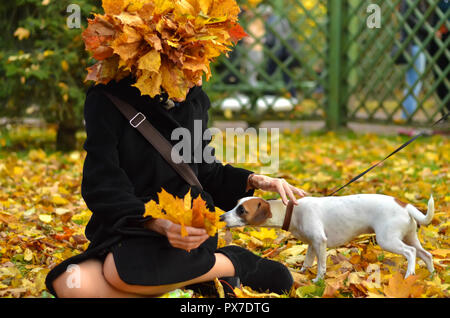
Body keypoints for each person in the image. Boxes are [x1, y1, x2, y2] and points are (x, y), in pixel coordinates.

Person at [44, 21, 308, 299]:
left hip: (188, 227)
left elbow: (205, 172)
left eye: (200, 63)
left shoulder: (194, 100)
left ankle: (234, 262)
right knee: (71, 285)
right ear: (151, 61)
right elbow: (102, 185)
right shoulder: (106, 99)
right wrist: (155, 223)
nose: (196, 78)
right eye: (185, 66)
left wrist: (252, 179)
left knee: (116, 273)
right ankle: (216, 270)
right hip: (129, 222)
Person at [399, 0, 429, 120]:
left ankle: (406, 117)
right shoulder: (410, 2)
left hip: (414, 45)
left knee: (413, 82)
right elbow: (412, 21)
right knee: (414, 83)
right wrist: (429, 29)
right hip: (415, 45)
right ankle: (407, 118)